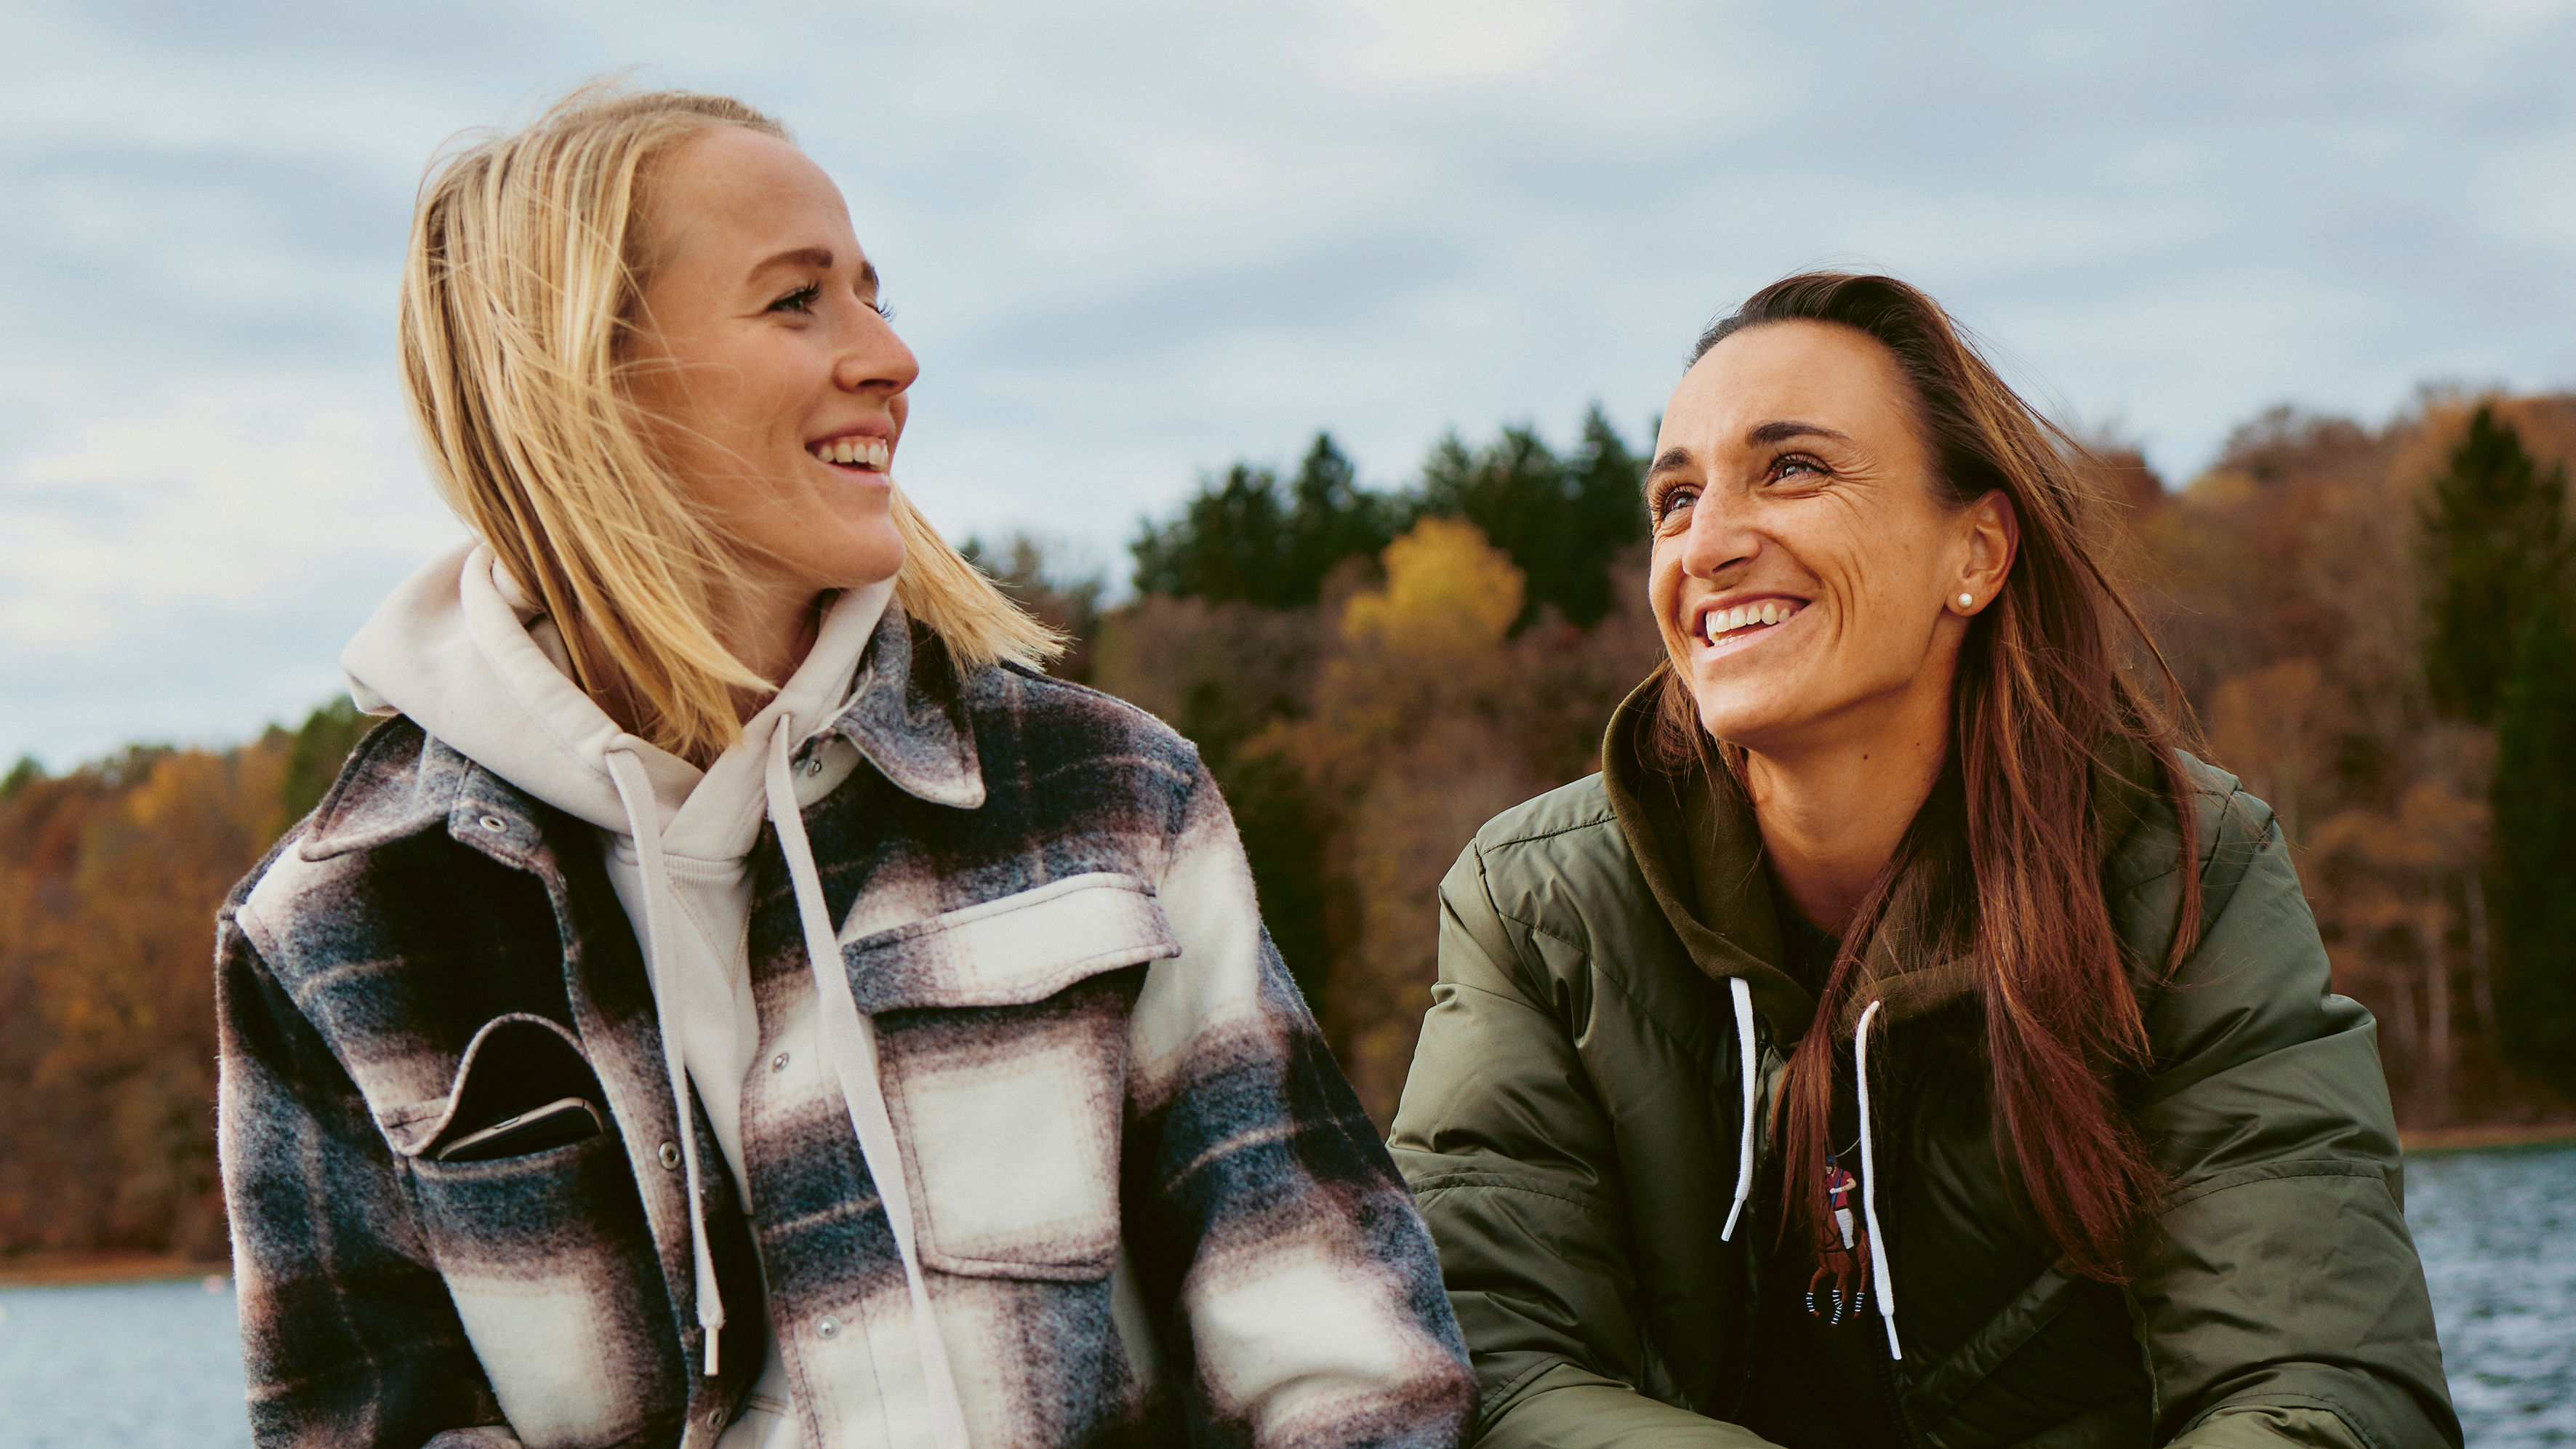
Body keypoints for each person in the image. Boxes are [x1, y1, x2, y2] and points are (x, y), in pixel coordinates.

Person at [215, 85, 1473, 1449]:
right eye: (797, 301)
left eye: (874, 293)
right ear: (589, 381)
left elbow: (1343, 1357)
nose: (892, 355)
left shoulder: (1112, 796)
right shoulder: (332, 932)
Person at [1387, 273, 2457, 1448]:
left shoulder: (2186, 868)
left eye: (1791, 468)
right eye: (1676, 498)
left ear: (1978, 551)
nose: (1711, 544)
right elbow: (1484, 1358)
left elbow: (2324, 1389)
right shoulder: (1537, 906)